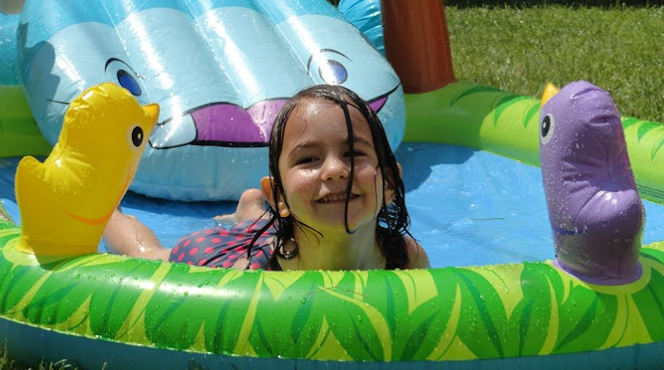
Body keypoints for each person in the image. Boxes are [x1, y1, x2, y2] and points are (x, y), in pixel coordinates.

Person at [103, 84, 430, 271]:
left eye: (354, 153)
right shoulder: (250, 277)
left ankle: (251, 209)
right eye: (308, 159)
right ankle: (107, 210)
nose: (334, 169)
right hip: (234, 252)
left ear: (389, 183)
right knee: (149, 256)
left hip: (283, 230)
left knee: (265, 226)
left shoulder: (405, 257)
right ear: (279, 197)